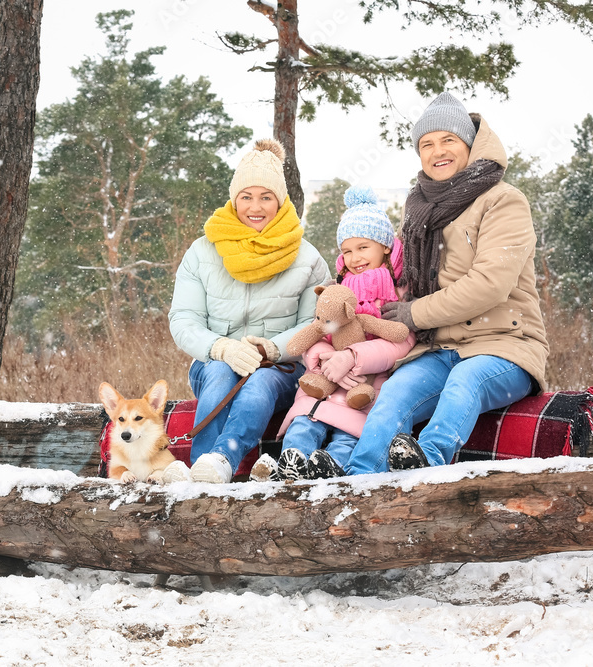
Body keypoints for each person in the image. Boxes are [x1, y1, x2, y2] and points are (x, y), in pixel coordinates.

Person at [344, 92, 549, 476]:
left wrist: (414, 313)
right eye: (427, 144)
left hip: (504, 345)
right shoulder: (419, 207)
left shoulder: (504, 201)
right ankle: (358, 480)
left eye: (448, 140)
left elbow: (488, 284)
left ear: (470, 146)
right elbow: (398, 273)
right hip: (439, 346)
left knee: (465, 382)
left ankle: (427, 465)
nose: (438, 151)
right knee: (394, 395)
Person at [164, 138, 330, 484]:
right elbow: (184, 319)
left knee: (260, 383)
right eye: (246, 197)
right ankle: (201, 470)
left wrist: (270, 348)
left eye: (266, 197)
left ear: (280, 200)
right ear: (234, 199)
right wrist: (222, 347)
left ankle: (222, 459)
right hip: (214, 361)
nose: (256, 207)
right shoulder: (202, 252)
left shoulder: (308, 258)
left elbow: (315, 324)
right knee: (222, 372)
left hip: (280, 367)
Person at [249, 185, 416, 482]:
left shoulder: (400, 292)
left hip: (365, 384)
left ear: (386, 246)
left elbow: (401, 342)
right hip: (324, 381)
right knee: (305, 421)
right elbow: (317, 329)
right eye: (347, 251)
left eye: (364, 247)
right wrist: (319, 357)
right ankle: (292, 462)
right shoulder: (335, 289)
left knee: (349, 431)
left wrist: (351, 358)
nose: (355, 258)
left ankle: (333, 464)